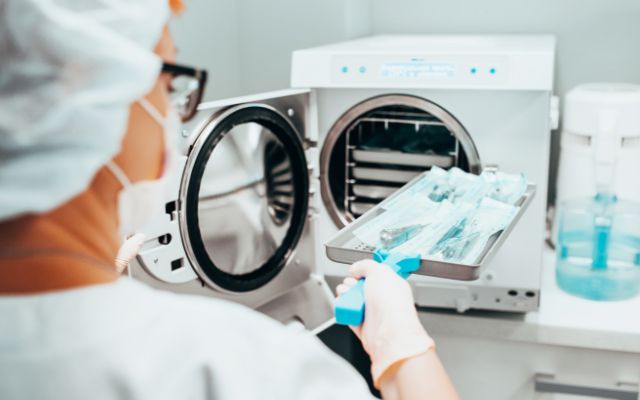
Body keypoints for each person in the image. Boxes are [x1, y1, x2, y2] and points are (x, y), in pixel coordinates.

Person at [0, 1, 458, 399]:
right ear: (94, 96)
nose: (172, 110)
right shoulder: (237, 367)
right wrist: (401, 349)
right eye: (169, 79)